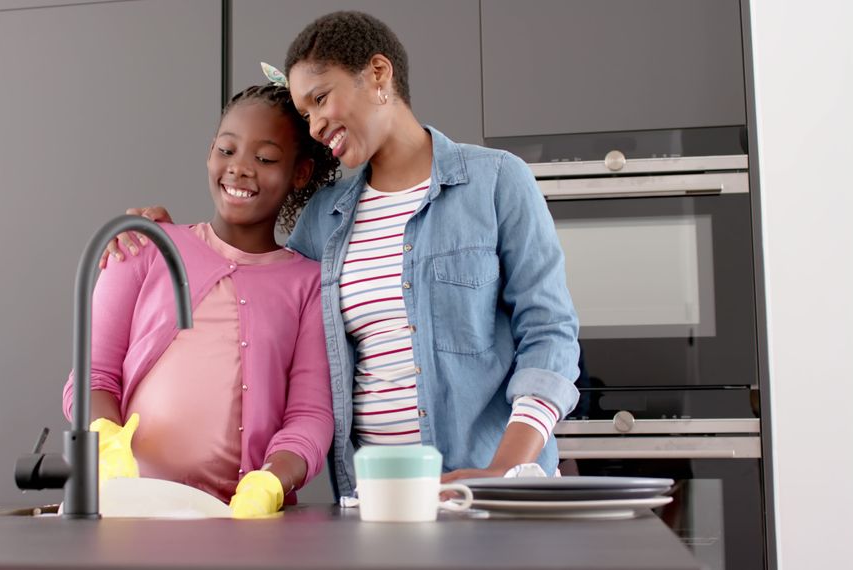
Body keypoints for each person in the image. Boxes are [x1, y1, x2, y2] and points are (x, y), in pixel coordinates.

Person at [105, 11, 580, 500]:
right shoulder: (322, 220)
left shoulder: (497, 181)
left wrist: (502, 473)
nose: (315, 125)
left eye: (321, 99)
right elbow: (258, 295)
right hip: (377, 503)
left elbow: (549, 333)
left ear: (378, 74)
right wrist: (165, 236)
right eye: (305, 113)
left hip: (492, 493)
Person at [64, 83, 340, 517]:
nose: (240, 169)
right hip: (127, 505)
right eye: (227, 150)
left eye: (265, 159)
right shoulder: (144, 244)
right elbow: (94, 376)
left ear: (300, 173)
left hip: (238, 521)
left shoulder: (308, 284)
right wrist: (104, 438)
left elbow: (310, 414)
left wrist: (273, 479)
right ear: (210, 151)